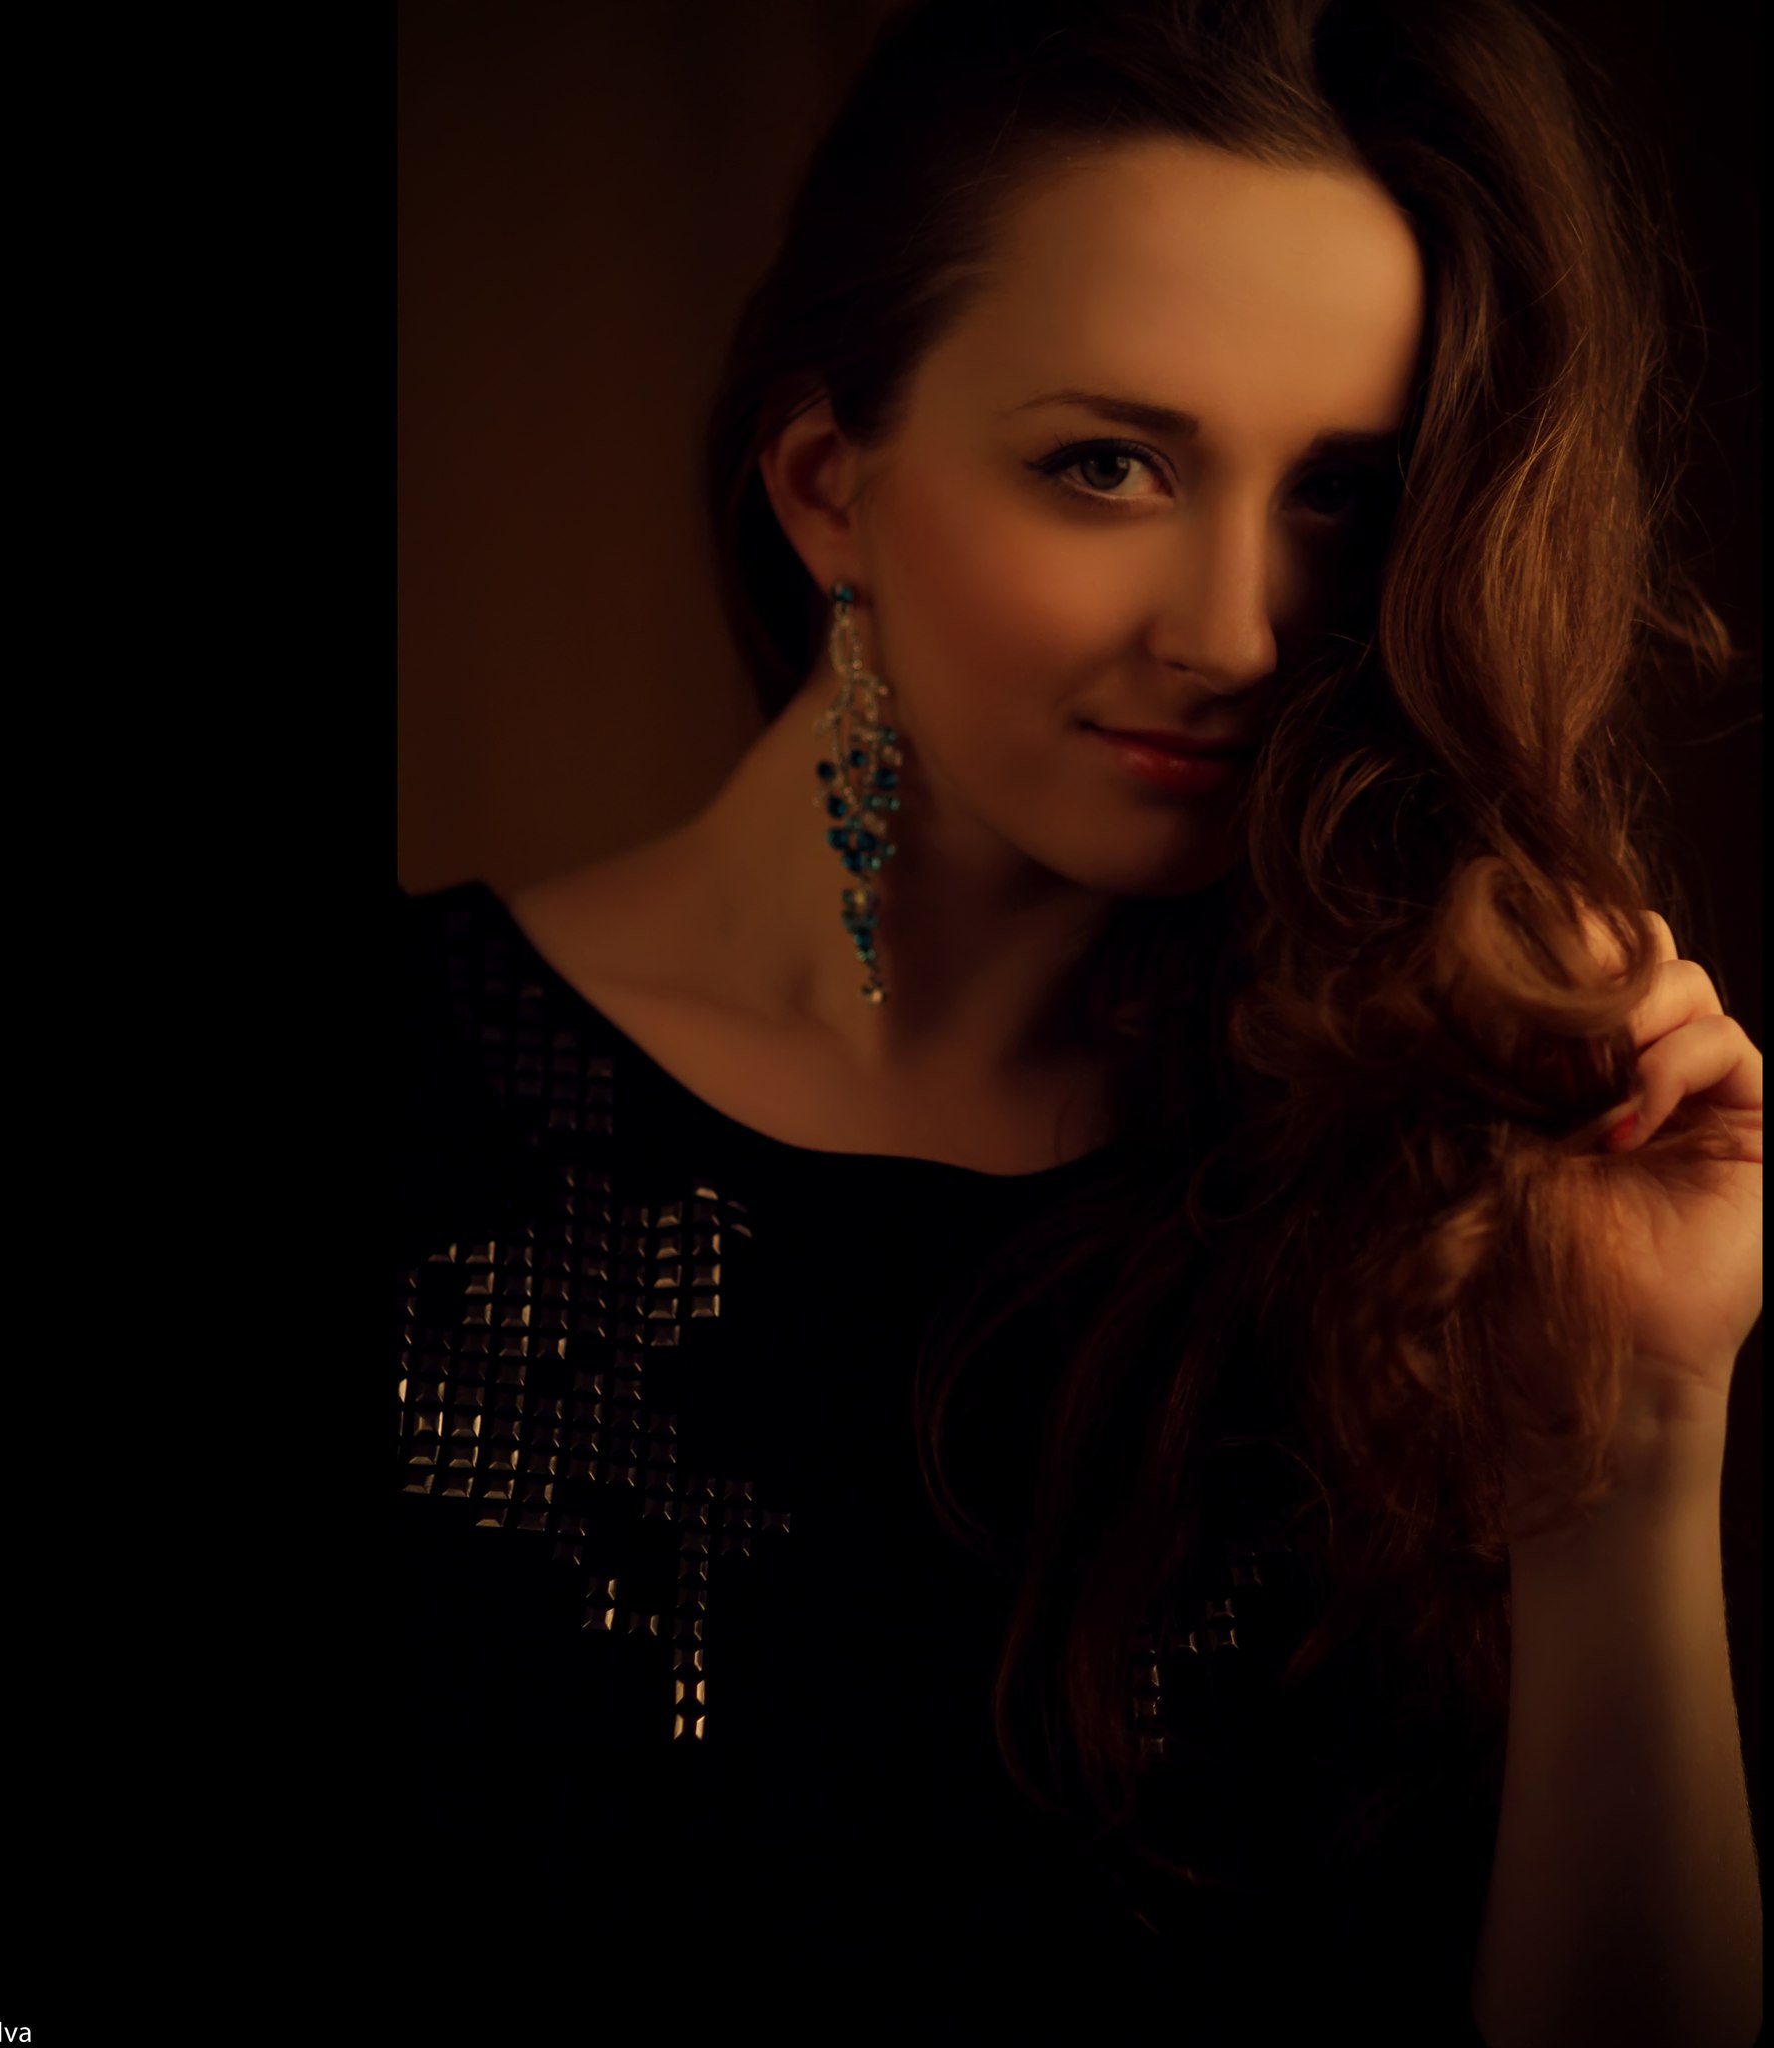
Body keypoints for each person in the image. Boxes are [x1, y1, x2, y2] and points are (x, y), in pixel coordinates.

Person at [395, 1, 1762, 2038]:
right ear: (825, 485)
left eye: (1339, 495)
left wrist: (1635, 1436)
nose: (1232, 633)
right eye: (1105, 465)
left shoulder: (1440, 1194)